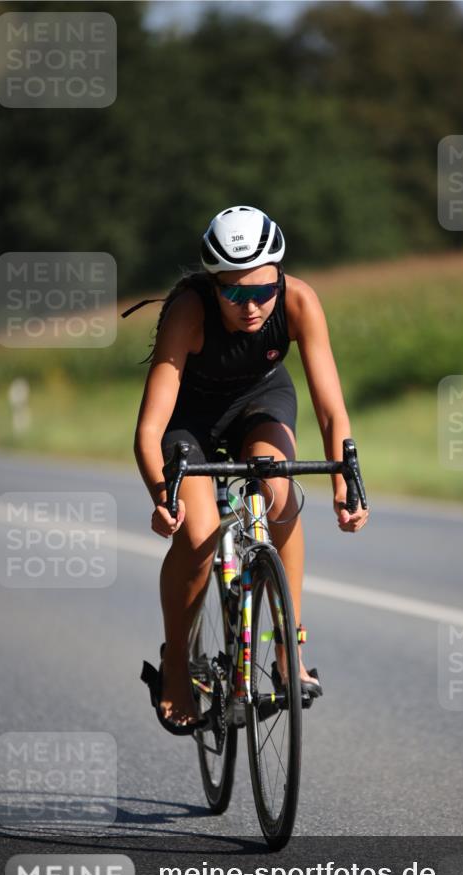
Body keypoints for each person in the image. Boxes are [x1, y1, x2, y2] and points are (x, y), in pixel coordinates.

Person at [133, 205, 369, 733]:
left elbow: (331, 409)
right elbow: (149, 431)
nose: (253, 305)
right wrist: (161, 495)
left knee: (280, 493)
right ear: (214, 285)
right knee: (198, 536)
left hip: (260, 402)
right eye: (235, 293)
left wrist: (343, 484)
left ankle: (287, 646)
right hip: (190, 420)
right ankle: (176, 666)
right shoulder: (188, 314)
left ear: (279, 278)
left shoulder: (300, 301)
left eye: (264, 290)